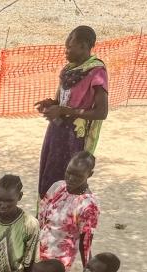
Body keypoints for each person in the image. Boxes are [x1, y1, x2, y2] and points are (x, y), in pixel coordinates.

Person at [36, 26, 109, 198]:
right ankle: (47, 217)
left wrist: (63, 110)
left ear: (84, 46)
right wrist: (51, 104)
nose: (66, 51)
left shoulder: (96, 71)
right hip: (57, 133)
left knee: (68, 178)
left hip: (75, 138)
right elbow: (61, 101)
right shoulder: (69, 70)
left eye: (70, 47)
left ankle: (66, 219)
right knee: (50, 175)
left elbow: (102, 112)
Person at [39, 151, 100, 271]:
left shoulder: (88, 205)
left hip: (59, 259)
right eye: (68, 172)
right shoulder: (58, 187)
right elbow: (41, 217)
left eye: (78, 176)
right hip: (38, 247)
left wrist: (88, 271)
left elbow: (85, 243)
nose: (70, 179)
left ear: (90, 175)